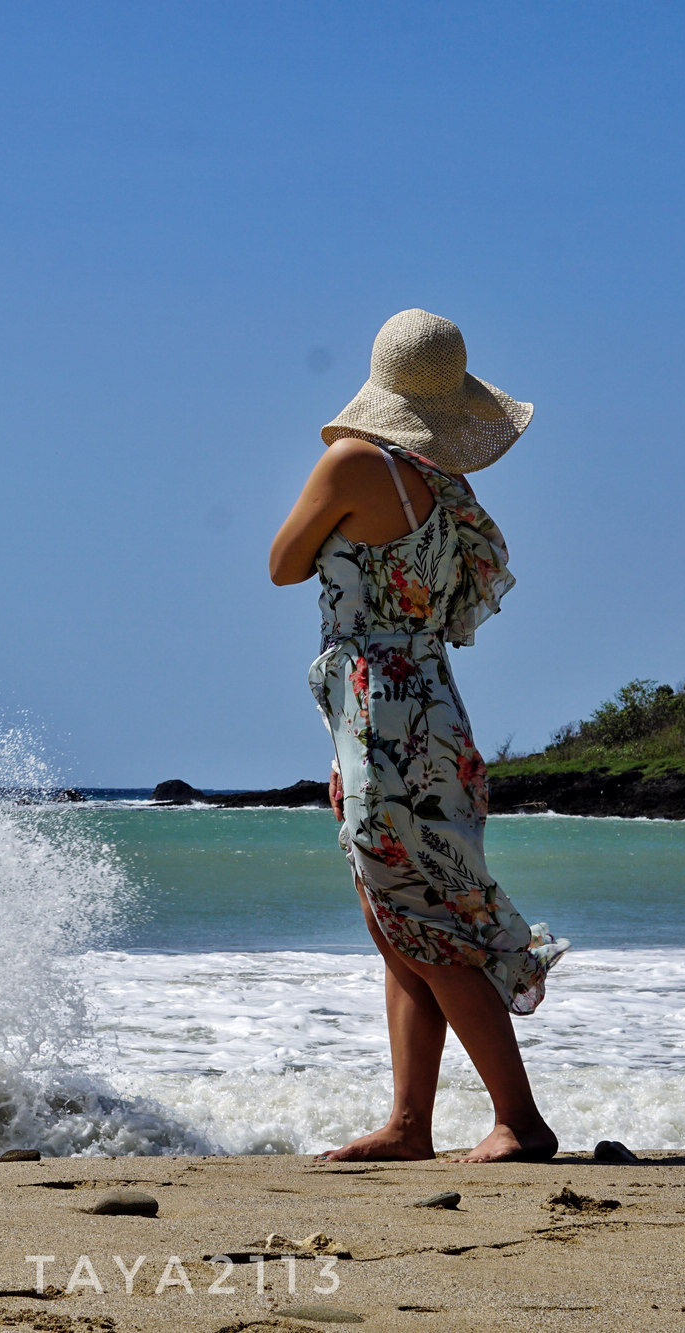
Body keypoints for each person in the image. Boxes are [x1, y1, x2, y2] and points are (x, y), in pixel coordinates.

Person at [268, 308, 568, 1163]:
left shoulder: (354, 461)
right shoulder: (446, 488)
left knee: (418, 921)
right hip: (432, 703)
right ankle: (411, 1123)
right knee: (403, 919)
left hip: (378, 713)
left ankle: (519, 1118)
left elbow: (283, 562)